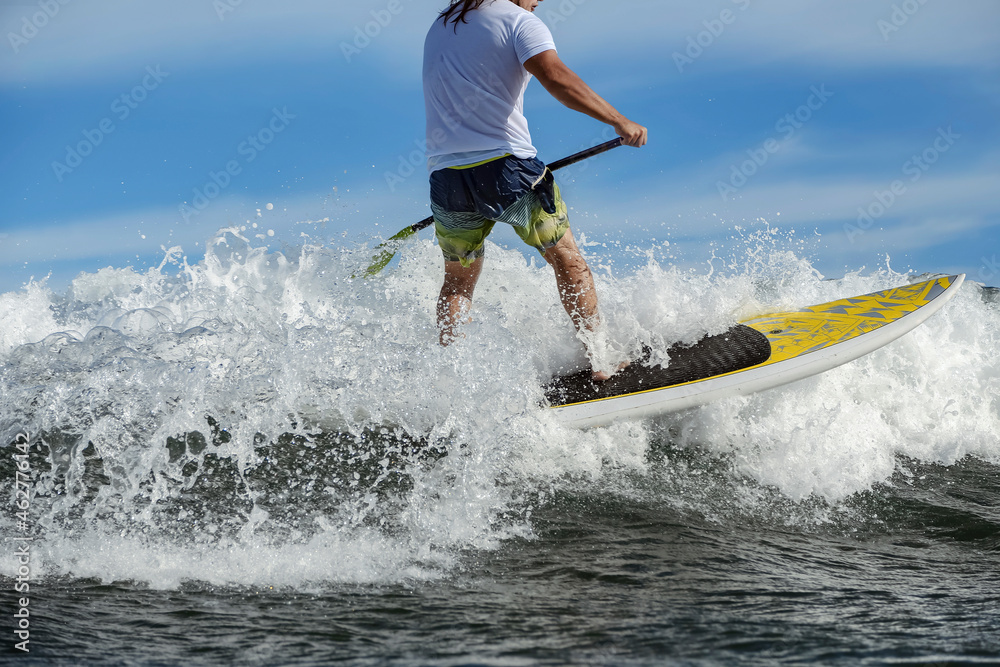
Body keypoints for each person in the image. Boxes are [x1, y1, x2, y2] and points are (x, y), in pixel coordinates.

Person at [424, 0, 647, 380]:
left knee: (458, 281)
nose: (539, 1)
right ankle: (601, 361)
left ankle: (451, 380)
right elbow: (555, 77)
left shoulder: (443, 24)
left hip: (446, 177)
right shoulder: (518, 21)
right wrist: (618, 120)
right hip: (507, 170)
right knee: (567, 259)